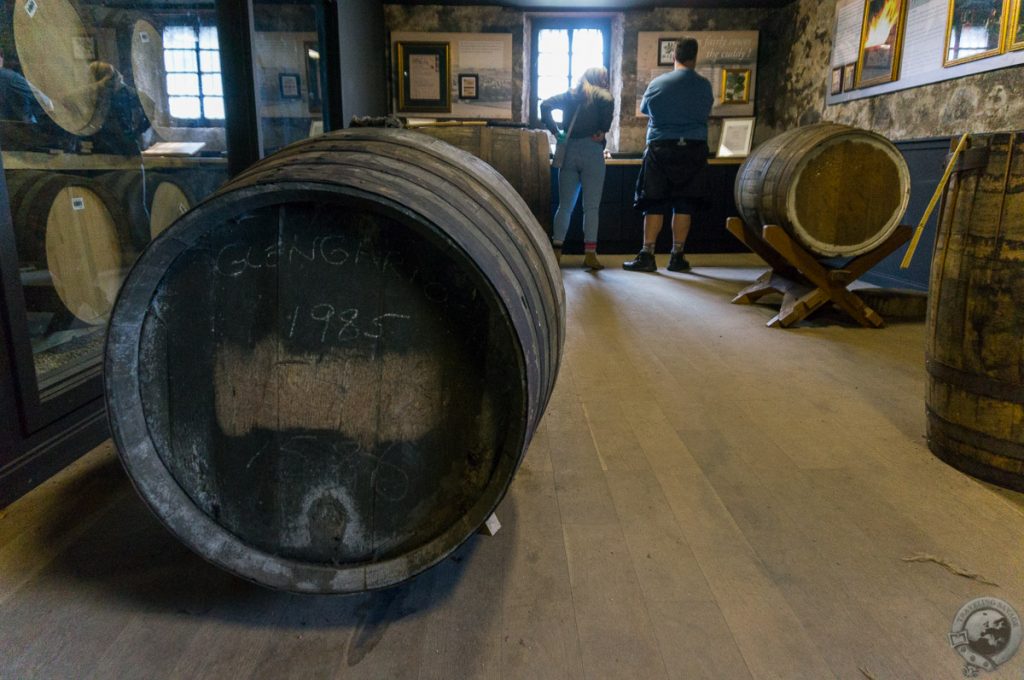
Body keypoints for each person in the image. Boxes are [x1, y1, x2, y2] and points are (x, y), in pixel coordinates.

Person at [623, 38, 713, 273]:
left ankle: (647, 254)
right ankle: (677, 255)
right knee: (684, 203)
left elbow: (645, 110)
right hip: (694, 148)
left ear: (674, 56)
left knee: (654, 202)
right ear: (695, 57)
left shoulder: (658, 83)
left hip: (661, 147)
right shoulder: (704, 86)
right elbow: (706, 111)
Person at [540, 66, 614, 270]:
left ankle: (557, 250)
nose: (606, 80)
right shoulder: (603, 95)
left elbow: (545, 105)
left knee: (564, 206)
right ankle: (590, 254)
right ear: (600, 78)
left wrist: (555, 131)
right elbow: (607, 110)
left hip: (569, 150)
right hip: (592, 152)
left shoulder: (570, 94)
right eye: (604, 77)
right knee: (591, 207)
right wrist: (602, 130)